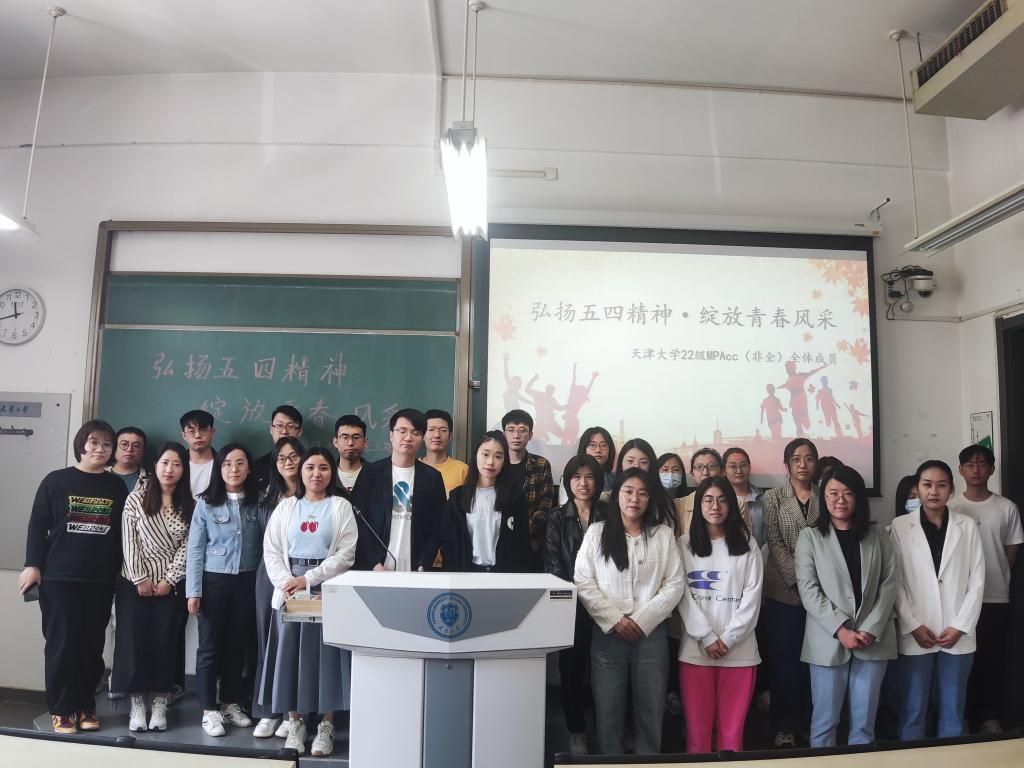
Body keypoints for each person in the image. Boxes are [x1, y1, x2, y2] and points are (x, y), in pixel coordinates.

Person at [19, 420, 128, 734]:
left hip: (100, 580)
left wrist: (122, 569)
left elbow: (123, 533)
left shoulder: (116, 486)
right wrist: (32, 565)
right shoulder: (56, 481)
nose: (100, 449)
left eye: (106, 444)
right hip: (59, 579)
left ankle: (85, 705)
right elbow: (37, 526)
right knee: (62, 645)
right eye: (94, 442)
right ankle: (62, 709)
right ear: (82, 444)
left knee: (91, 647)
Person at [574, 468, 684, 755]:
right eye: (629, 491)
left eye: (643, 493)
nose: (635, 498)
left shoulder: (663, 535)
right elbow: (583, 581)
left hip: (651, 636)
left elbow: (674, 584)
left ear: (650, 499)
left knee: (651, 710)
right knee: (607, 710)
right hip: (608, 636)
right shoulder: (597, 532)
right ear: (616, 496)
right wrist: (615, 620)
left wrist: (642, 621)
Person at [262, 447, 358, 757]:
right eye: (310, 467)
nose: (316, 474)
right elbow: (271, 551)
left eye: (324, 468)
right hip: (290, 590)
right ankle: (295, 723)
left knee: (327, 658)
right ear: (300, 471)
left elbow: (346, 554)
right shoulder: (286, 507)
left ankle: (326, 725)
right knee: (289, 657)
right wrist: (287, 583)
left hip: (325, 589)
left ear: (332, 473)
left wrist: (310, 578)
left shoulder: (341, 506)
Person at [795, 465, 897, 747]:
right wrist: (841, 629)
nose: (840, 500)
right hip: (828, 640)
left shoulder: (878, 535)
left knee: (864, 725)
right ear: (823, 498)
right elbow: (809, 590)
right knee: (824, 723)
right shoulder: (810, 537)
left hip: (871, 640)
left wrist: (871, 628)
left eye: (848, 493)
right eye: (833, 493)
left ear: (858, 497)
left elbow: (890, 583)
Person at [890, 460, 984, 740]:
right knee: (913, 708)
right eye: (927, 485)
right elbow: (895, 582)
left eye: (941, 485)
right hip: (917, 631)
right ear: (918, 489)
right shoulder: (899, 527)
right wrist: (913, 625)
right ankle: (911, 757)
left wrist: (960, 626)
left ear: (951, 490)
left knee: (953, 709)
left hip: (957, 632)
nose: (934, 491)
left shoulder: (967, 526)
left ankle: (950, 757)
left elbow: (977, 580)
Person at [677, 477, 763, 753]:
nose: (715, 506)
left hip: (740, 653)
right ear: (698, 505)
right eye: (708, 500)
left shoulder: (748, 546)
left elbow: (752, 599)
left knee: (731, 736)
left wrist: (727, 638)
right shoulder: (683, 545)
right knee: (697, 736)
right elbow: (682, 597)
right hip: (695, 652)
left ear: (732, 506)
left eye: (722, 500)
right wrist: (706, 636)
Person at [114, 442, 194, 732]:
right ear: (155, 465)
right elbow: (129, 541)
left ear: (184, 469)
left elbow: (188, 546)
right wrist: (140, 578)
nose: (169, 469)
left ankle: (160, 704)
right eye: (164, 463)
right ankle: (137, 705)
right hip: (133, 584)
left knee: (165, 643)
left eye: (176, 464)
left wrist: (168, 580)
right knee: (133, 643)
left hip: (170, 587)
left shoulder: (190, 504)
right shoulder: (136, 499)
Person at [186, 443, 262, 736]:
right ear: (219, 469)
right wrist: (194, 591)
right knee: (210, 646)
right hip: (213, 581)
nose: (234, 469)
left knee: (237, 645)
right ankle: (209, 710)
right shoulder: (206, 503)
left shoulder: (257, 502)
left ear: (249, 468)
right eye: (228, 463)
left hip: (247, 581)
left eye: (240, 463)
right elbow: (195, 549)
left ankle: (230, 702)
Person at [947, 445, 1022, 733]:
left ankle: (989, 716)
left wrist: (994, 578)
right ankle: (963, 716)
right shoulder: (951, 507)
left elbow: (1010, 552)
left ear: (991, 469)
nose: (976, 469)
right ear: (961, 470)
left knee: (991, 659)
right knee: (961, 660)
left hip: (994, 597)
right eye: (970, 464)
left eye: (982, 464)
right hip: (958, 599)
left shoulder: (1006, 508)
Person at [546, 453, 607, 756]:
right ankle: (576, 731)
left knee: (606, 669)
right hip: (572, 605)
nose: (583, 483)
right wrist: (577, 595)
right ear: (567, 481)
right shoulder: (558, 517)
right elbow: (555, 564)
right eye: (576, 477)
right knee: (571, 669)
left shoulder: (610, 514)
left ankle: (609, 728)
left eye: (590, 477)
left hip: (607, 604)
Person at [762, 437, 819, 748]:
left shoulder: (826, 494)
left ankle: (812, 723)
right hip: (784, 593)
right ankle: (784, 727)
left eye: (808, 458)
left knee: (814, 664)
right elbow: (774, 541)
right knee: (784, 663)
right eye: (796, 459)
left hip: (821, 593)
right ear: (786, 464)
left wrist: (814, 586)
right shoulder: (773, 497)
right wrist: (799, 581)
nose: (802, 464)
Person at [252, 435, 304, 740]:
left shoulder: (313, 494)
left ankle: (291, 713)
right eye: (282, 458)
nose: (288, 462)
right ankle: (267, 710)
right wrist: (279, 576)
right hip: (269, 574)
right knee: (267, 640)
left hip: (302, 575)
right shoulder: (267, 497)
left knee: (294, 643)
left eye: (294, 456)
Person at [349, 409, 446, 571]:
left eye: (415, 433)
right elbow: (358, 521)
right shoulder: (371, 473)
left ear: (422, 438)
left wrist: (424, 563)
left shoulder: (432, 478)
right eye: (402, 431)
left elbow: (437, 525)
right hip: (376, 569)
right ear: (391, 435)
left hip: (417, 570)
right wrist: (374, 563)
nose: (408, 437)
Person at [439, 431, 531, 572]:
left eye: (498, 456)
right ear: (476, 455)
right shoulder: (457, 498)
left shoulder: (515, 497)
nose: (490, 462)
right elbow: (448, 544)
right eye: (485, 454)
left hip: (503, 575)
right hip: (466, 574)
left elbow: (522, 545)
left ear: (504, 461)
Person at [501, 409, 554, 571]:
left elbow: (545, 507)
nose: (516, 435)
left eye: (522, 430)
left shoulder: (541, 464)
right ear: (504, 434)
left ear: (530, 435)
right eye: (511, 430)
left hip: (531, 544)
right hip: (498, 543)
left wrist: (521, 531)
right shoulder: (495, 464)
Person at [673, 448, 750, 535]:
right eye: (699, 467)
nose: (705, 472)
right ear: (692, 474)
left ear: (722, 471)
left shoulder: (739, 505)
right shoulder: (678, 505)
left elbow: (743, 539)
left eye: (712, 466)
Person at [555, 425, 616, 505]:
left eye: (603, 445)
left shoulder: (615, 479)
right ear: (584, 448)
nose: (598, 450)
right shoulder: (570, 477)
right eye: (592, 445)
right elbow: (565, 506)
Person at [723, 447, 765, 551]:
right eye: (733, 466)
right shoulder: (719, 502)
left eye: (743, 465)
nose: (739, 470)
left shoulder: (763, 499)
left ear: (749, 467)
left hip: (759, 556)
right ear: (724, 471)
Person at [252, 405, 303, 491]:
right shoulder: (257, 467)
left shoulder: (309, 463)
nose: (284, 431)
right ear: (271, 429)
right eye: (279, 425)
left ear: (300, 431)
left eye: (290, 426)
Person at [421, 408, 469, 497]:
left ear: (450, 436)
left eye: (443, 430)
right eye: (431, 430)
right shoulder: (412, 467)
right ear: (422, 435)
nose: (437, 435)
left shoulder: (463, 470)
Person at [180, 410, 216, 498]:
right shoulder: (177, 464)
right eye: (191, 431)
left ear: (212, 432)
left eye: (203, 430)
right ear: (184, 435)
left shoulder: (223, 464)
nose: (197, 435)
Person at [333, 414, 368, 493]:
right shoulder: (327, 474)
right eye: (345, 437)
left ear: (365, 442)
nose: (350, 443)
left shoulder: (377, 474)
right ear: (335, 442)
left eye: (356, 437)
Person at [110, 426, 149, 492]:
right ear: (114, 448)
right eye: (124, 444)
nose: (129, 449)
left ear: (143, 451)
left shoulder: (150, 481)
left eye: (136, 446)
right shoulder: (98, 472)